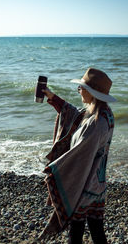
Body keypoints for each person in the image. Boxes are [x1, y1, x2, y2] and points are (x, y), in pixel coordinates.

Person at [38, 68, 116, 244]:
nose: (79, 91)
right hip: (98, 183)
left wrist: (54, 171)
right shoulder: (103, 113)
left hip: (85, 185)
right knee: (96, 229)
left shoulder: (96, 123)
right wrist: (52, 97)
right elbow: (74, 114)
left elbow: (78, 156)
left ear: (91, 92)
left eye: (81, 88)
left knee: (76, 232)